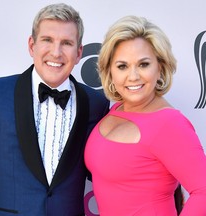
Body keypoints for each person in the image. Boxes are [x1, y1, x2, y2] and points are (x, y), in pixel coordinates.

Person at [0, 3, 109, 216]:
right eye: (47, 40)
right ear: (31, 45)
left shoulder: (97, 103)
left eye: (66, 43)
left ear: (79, 52)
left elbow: (106, 174)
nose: (56, 52)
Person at [84, 15, 206, 215]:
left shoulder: (169, 124)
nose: (133, 76)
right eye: (122, 66)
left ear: (160, 67)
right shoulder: (116, 110)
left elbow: (204, 190)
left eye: (143, 64)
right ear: (110, 72)